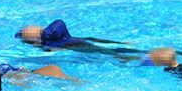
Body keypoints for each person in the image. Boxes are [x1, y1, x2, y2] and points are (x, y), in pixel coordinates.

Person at [15, 19, 146, 60]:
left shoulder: (47, 45)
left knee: (111, 54)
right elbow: (93, 39)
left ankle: (133, 58)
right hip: (81, 42)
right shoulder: (62, 36)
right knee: (113, 50)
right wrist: (120, 43)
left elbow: (55, 51)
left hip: (79, 47)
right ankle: (141, 53)